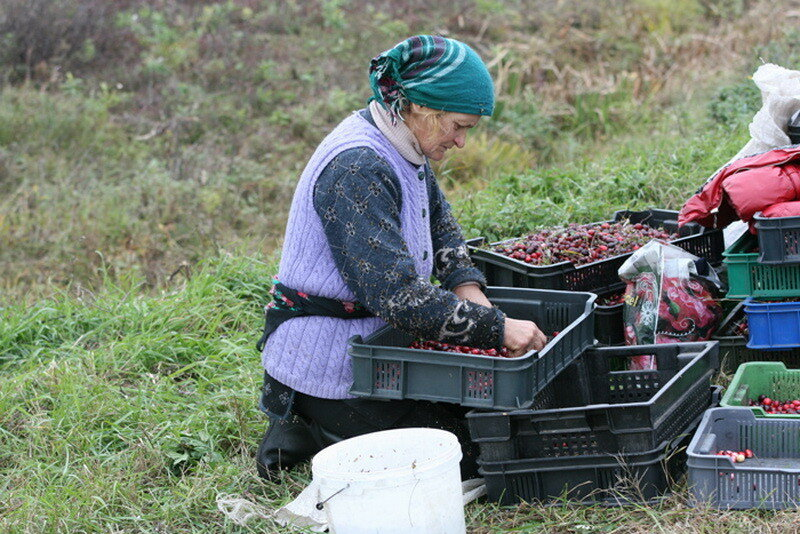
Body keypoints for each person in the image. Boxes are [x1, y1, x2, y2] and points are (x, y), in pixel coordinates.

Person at [256, 34, 546, 480]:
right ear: (421, 109)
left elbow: (440, 223)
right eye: (459, 126)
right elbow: (399, 297)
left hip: (380, 347)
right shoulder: (357, 168)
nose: (462, 141)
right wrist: (498, 329)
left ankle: (320, 427)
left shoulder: (403, 141)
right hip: (334, 361)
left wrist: (470, 292)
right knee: (467, 455)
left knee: (493, 425)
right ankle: (306, 423)